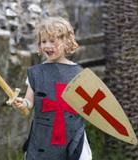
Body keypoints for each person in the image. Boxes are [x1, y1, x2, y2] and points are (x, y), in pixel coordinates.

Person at [12, 17, 92, 160]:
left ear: (67, 42)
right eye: (44, 41)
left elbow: (86, 105)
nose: (47, 46)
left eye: (53, 41)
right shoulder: (36, 73)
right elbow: (29, 102)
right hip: (43, 136)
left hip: (72, 133)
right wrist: (21, 103)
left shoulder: (78, 73)